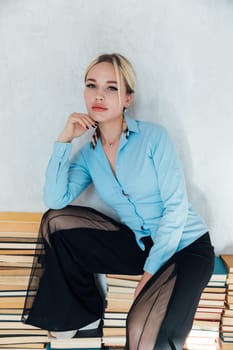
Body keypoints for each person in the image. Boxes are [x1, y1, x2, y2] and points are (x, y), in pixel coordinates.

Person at [22, 53, 215, 349]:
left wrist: (149, 275)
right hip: (138, 243)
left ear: (127, 98)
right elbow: (56, 198)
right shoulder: (89, 154)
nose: (99, 95)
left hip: (184, 246)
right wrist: (64, 140)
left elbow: (176, 210)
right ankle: (82, 317)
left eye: (112, 87)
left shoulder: (153, 138)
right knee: (55, 221)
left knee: (140, 330)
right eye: (92, 85)